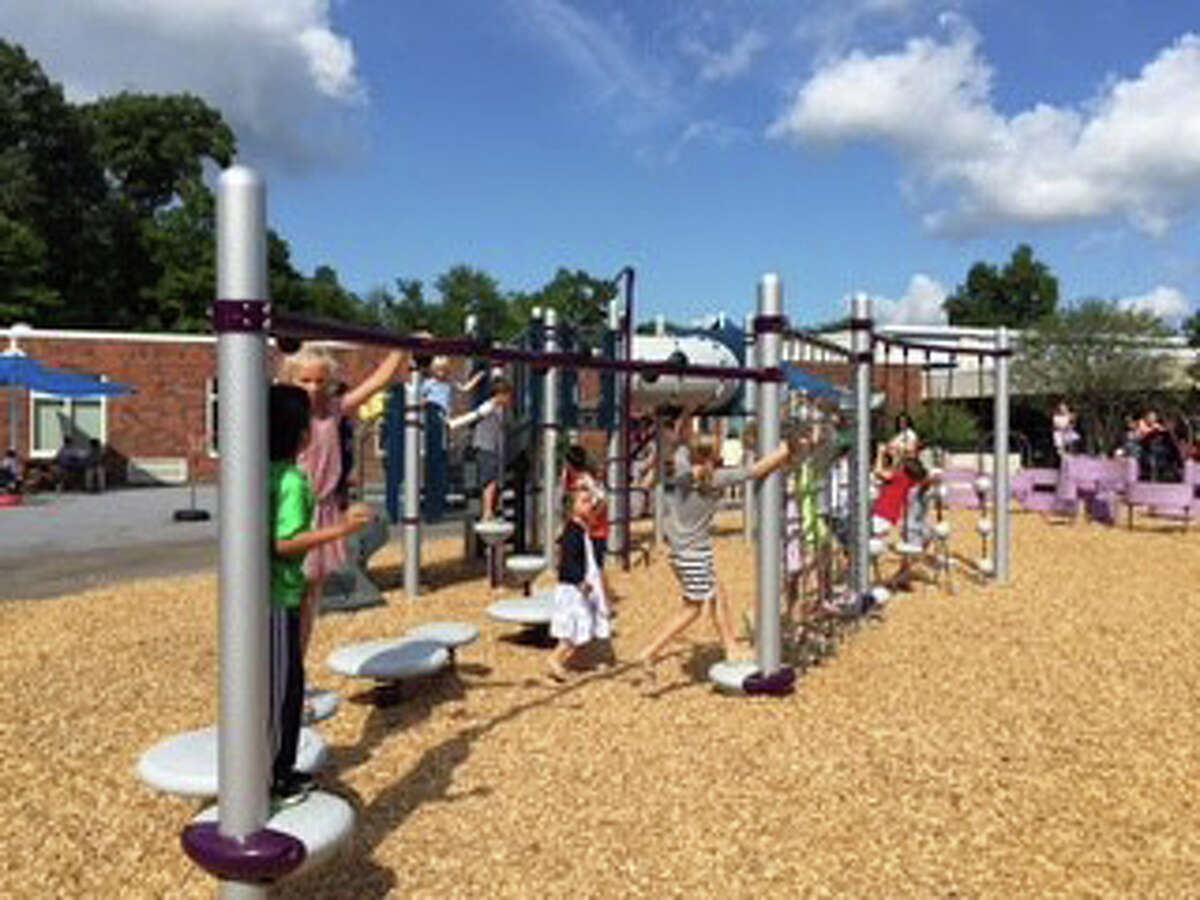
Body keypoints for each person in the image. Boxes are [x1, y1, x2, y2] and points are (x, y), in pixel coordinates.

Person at [267, 384, 371, 802]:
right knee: (285, 689)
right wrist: (340, 529)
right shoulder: (291, 481)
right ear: (303, 436)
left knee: (280, 684)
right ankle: (277, 776)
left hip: (266, 596)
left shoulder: (260, 471)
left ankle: (272, 769)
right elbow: (284, 543)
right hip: (279, 597)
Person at [634, 429, 799, 683]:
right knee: (693, 609)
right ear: (713, 454)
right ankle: (650, 652)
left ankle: (731, 647)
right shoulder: (716, 478)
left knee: (718, 593)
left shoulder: (682, 469)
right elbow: (755, 471)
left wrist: (687, 415)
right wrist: (784, 450)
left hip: (682, 550)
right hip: (694, 553)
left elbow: (679, 442)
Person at [279, 344, 404, 657]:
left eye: (320, 381)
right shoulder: (286, 415)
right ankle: (282, 662)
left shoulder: (334, 410)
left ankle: (297, 663)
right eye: (305, 381)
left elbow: (376, 383)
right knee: (289, 594)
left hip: (324, 509)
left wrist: (402, 348)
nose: (313, 388)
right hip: (295, 509)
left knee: (311, 596)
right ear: (290, 381)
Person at [546, 488, 612, 682]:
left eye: (589, 501)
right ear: (572, 509)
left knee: (585, 623)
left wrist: (593, 494)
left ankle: (578, 659)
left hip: (580, 586)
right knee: (573, 628)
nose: (589, 504)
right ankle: (555, 659)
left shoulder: (581, 527)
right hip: (572, 588)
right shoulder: (572, 532)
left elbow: (600, 507)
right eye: (584, 501)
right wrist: (579, 581)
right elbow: (568, 561)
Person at [447, 378, 514, 520]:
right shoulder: (488, 406)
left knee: (494, 479)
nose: (509, 399)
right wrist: (453, 424)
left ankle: (491, 510)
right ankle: (487, 511)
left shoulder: (500, 409)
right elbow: (473, 416)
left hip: (493, 448)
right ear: (500, 394)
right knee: (490, 480)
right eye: (507, 395)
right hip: (486, 447)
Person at [562, 444, 616, 602]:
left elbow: (602, 501)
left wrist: (592, 518)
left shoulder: (586, 480)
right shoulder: (569, 478)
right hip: (582, 527)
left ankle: (604, 601)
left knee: (595, 567)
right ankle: (589, 600)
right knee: (583, 566)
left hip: (594, 530)